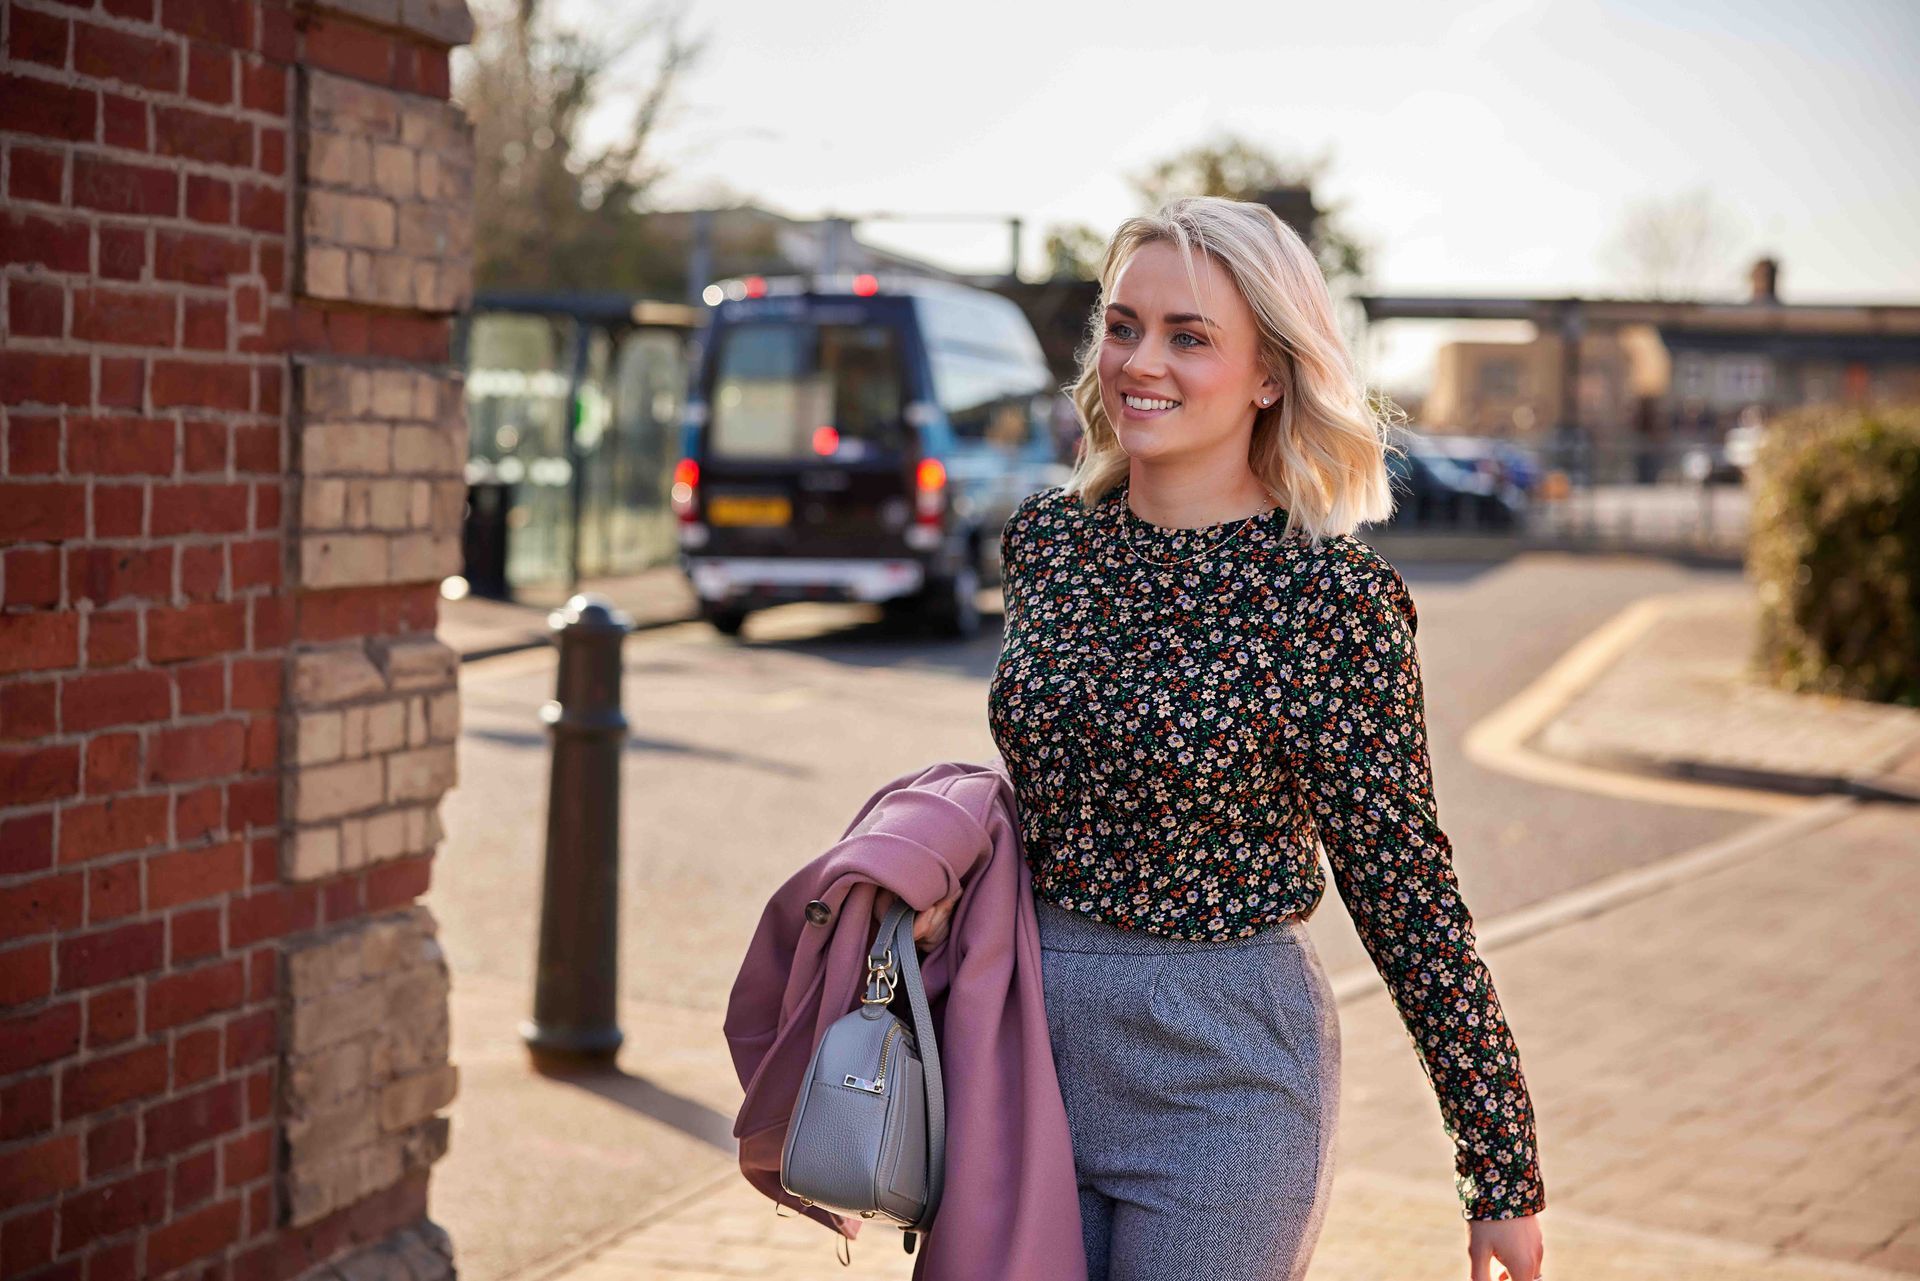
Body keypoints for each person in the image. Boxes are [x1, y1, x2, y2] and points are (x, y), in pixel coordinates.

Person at [905, 197, 1549, 1281]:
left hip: (1226, 1077)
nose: (1139, 361)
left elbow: (1403, 886)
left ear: (1269, 374)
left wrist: (1500, 1166)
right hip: (1021, 1049)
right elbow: (1058, 775)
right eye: (1122, 326)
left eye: (1188, 336)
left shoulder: (1330, 600)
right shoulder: (1049, 544)